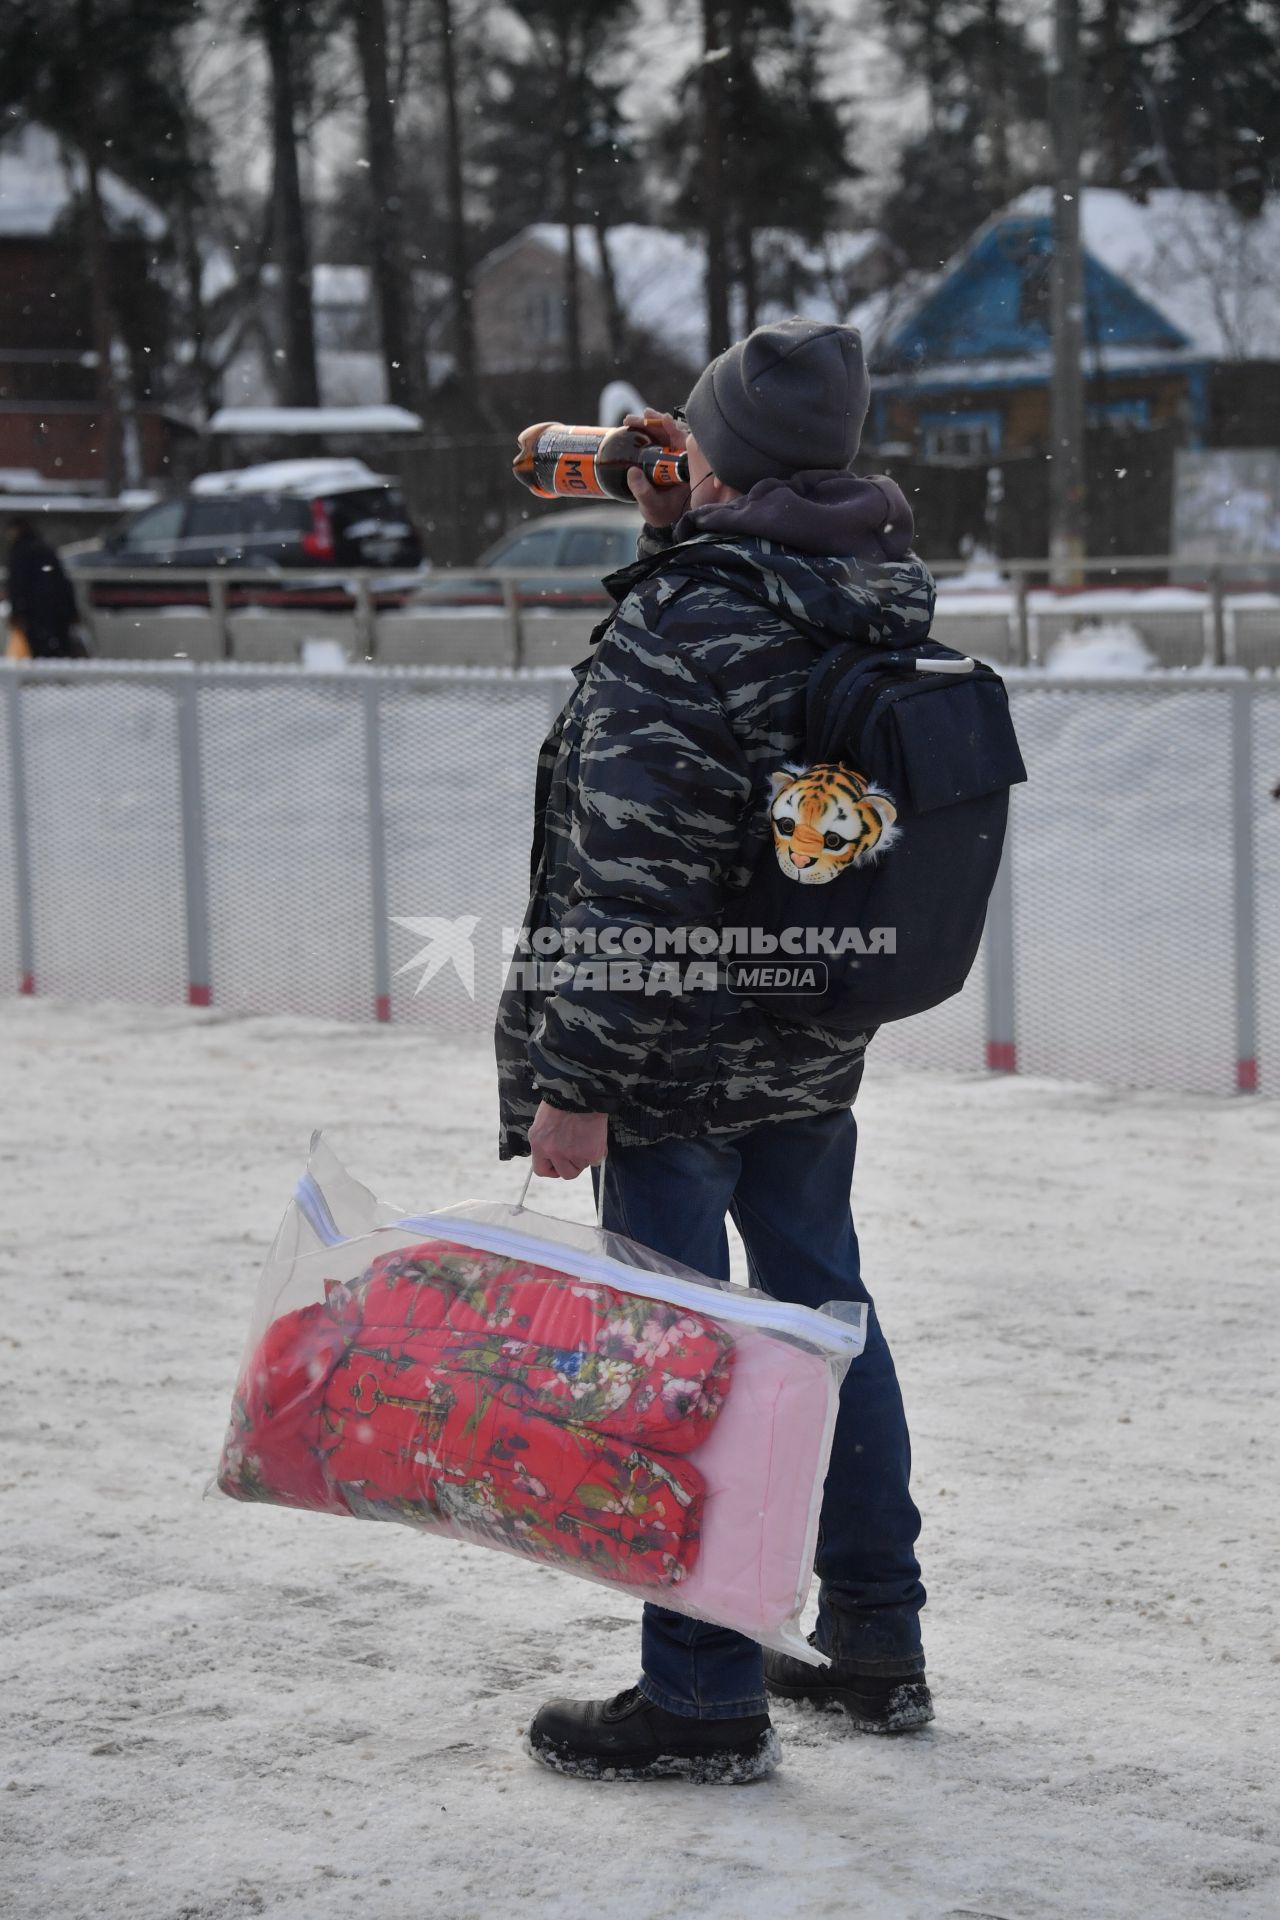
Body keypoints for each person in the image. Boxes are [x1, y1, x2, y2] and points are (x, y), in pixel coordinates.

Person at [495, 318, 936, 1785]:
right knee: (823, 1309)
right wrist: (693, 528)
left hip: (673, 1058)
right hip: (810, 1027)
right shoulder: (866, 588)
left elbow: (633, 877)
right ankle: (874, 1638)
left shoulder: (692, 623)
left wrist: (578, 1084)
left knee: (678, 1351)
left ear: (724, 453)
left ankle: (699, 1693)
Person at [5, 518, 87, 659]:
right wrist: (72, 611)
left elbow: (17, 585)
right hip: (58, 611)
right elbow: (63, 582)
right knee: (58, 650)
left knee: (39, 652)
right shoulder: (45, 549)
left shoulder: (19, 552)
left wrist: (17, 612)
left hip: (34, 613)